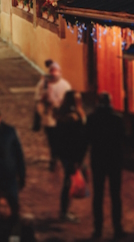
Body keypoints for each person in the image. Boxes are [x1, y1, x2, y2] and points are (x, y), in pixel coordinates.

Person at [87, 93, 126, 240]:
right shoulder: (117, 119)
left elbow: (87, 139)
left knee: (98, 195)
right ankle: (117, 228)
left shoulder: (92, 119)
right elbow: (124, 138)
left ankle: (98, 229)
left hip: (98, 160)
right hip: (114, 160)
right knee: (116, 196)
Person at [55, 91, 88, 222]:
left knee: (68, 182)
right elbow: (79, 140)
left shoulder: (62, 115)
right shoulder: (73, 117)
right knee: (69, 183)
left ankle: (64, 210)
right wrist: (77, 160)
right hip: (72, 156)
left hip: (65, 154)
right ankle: (64, 212)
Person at [35, 61, 71, 171]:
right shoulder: (43, 84)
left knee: (60, 139)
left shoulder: (65, 85)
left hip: (61, 117)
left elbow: (68, 101)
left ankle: (58, 156)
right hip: (49, 117)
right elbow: (37, 98)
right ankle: (54, 157)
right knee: (52, 139)